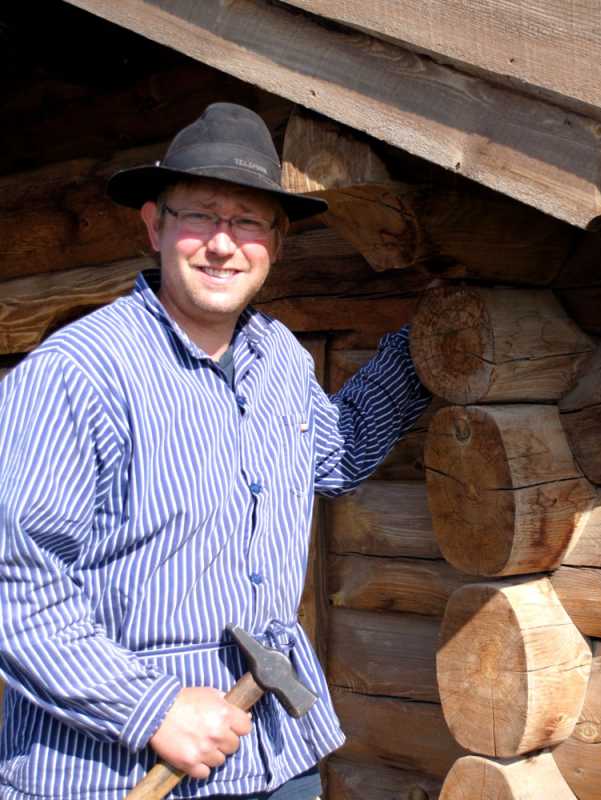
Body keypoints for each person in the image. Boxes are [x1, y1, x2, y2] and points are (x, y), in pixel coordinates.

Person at [0, 103, 430, 799]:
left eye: (248, 221)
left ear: (277, 241)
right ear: (154, 226)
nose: (222, 244)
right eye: (200, 214)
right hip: (112, 771)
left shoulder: (280, 359)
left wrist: (427, 344)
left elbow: (338, 455)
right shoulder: (79, 373)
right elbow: (12, 581)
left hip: (273, 753)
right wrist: (148, 708)